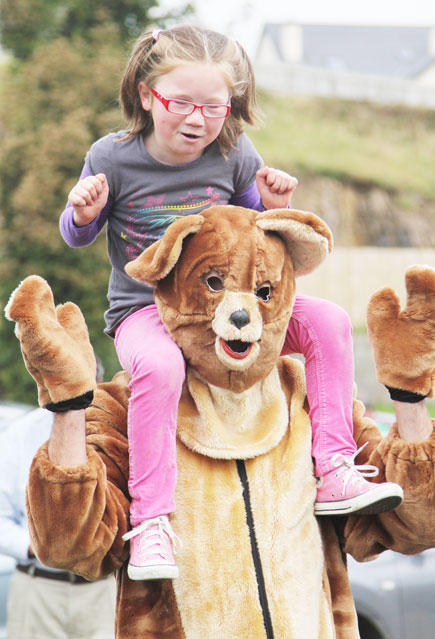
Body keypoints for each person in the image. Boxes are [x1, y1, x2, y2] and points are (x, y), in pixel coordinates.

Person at [59, 24, 402, 582]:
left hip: (234, 309)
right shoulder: (112, 157)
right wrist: (80, 212)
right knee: (164, 365)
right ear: (148, 96)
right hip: (146, 314)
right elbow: (76, 236)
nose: (197, 119)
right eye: (182, 103)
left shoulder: (233, 151)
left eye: (214, 107)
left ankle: (336, 466)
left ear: (231, 107)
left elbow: (258, 230)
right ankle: (151, 522)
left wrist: (273, 204)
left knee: (329, 320)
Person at [0, 405, 116, 639]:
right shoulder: (20, 433)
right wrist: (38, 547)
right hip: (38, 590)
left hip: (102, 592)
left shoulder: (112, 431)